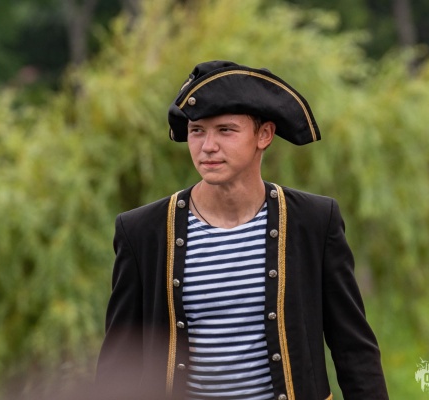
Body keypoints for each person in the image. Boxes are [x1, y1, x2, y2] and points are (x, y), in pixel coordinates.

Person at [95, 60, 388, 400]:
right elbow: (118, 364)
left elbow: (353, 349)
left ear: (264, 135)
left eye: (225, 130)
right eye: (197, 131)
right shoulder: (143, 232)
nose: (208, 146)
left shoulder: (314, 221)